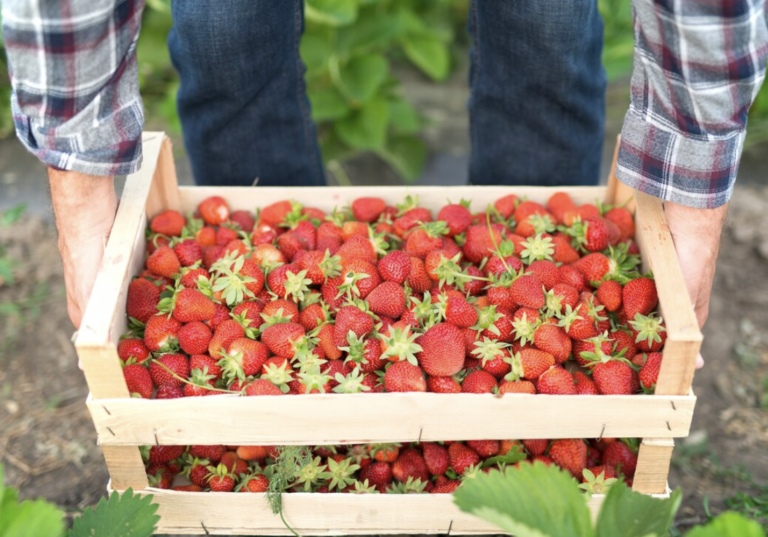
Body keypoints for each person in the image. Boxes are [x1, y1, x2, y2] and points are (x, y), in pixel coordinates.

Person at [2, 1, 764, 369]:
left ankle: (534, 280)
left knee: (544, 30)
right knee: (227, 34)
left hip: (501, 328)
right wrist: (79, 193)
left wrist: (692, 207)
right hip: (292, 319)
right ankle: (271, 364)